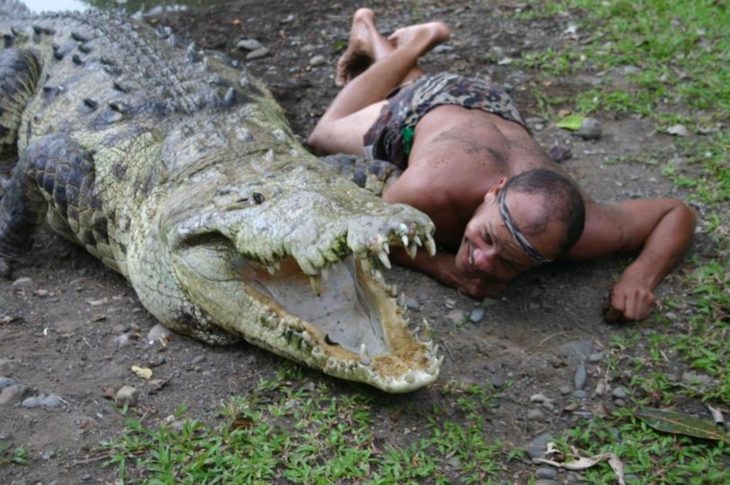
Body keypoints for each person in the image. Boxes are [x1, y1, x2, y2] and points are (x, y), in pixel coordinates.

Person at [307, 9, 696, 322]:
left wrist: (640, 277)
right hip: (424, 110)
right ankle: (415, 41)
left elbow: (675, 212)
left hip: (489, 106)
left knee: (432, 88)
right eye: (488, 237)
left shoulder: (585, 229)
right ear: (494, 193)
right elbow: (375, 232)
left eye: (510, 262)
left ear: (555, 254)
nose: (481, 261)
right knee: (324, 135)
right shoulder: (428, 188)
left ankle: (371, 35)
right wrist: (443, 266)